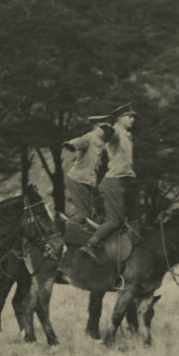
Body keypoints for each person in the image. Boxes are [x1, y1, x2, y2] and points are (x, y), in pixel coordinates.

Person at [80, 103, 136, 259]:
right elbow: (109, 134)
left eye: (133, 116)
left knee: (125, 223)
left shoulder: (126, 135)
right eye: (129, 116)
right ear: (119, 118)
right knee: (114, 222)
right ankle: (90, 245)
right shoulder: (116, 133)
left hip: (122, 182)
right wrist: (105, 128)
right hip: (114, 182)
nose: (133, 119)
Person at [61, 114, 111, 224]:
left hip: (86, 180)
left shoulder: (101, 141)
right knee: (84, 216)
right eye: (104, 127)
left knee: (89, 214)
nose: (107, 130)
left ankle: (67, 226)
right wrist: (71, 144)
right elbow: (80, 141)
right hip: (78, 179)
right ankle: (62, 229)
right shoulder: (91, 136)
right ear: (96, 126)